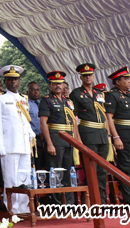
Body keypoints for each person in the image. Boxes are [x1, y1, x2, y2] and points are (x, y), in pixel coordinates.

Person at [0, 65, 35, 215]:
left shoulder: (23, 98)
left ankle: (24, 207)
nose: (13, 82)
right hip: (9, 144)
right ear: (5, 81)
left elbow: (24, 120)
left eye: (16, 79)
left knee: (25, 177)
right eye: (10, 79)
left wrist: (30, 132)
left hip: (24, 144)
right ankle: (12, 207)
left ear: (19, 81)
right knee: (11, 178)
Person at [69, 63, 110, 202]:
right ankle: (92, 200)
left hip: (102, 133)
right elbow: (73, 117)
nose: (88, 77)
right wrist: (77, 138)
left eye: (90, 75)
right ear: (80, 77)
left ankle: (102, 200)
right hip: (87, 132)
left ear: (94, 76)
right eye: (85, 75)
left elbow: (105, 114)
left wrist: (109, 134)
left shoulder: (100, 93)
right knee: (91, 168)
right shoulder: (76, 94)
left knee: (102, 169)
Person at [106, 66, 130, 204]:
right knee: (126, 168)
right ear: (117, 82)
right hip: (125, 136)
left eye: (129, 79)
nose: (129, 81)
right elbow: (109, 118)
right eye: (126, 79)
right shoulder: (112, 95)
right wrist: (116, 137)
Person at [39, 71, 78, 205]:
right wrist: (49, 143)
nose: (58, 86)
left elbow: (73, 122)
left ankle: (69, 203)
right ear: (50, 85)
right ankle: (56, 204)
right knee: (55, 171)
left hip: (69, 139)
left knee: (69, 171)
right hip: (55, 138)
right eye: (55, 83)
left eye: (60, 83)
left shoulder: (68, 101)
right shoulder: (46, 100)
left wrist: (76, 141)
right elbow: (43, 123)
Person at [27, 82, 44, 170]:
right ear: (27, 92)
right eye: (33, 90)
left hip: (43, 138)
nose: (36, 92)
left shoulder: (41, 103)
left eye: (38, 90)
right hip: (33, 139)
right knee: (36, 163)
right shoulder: (26, 104)